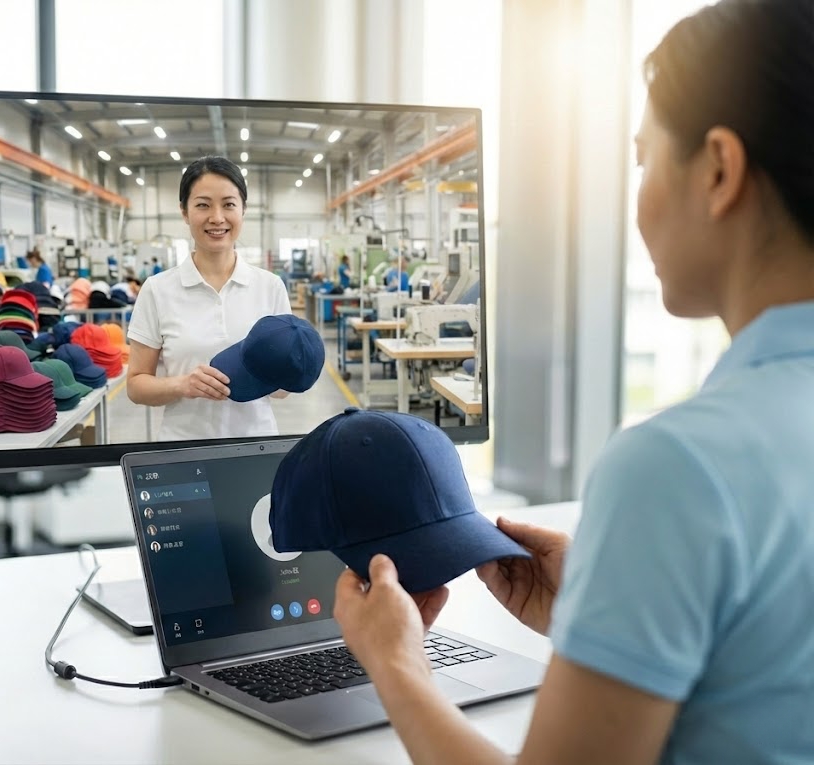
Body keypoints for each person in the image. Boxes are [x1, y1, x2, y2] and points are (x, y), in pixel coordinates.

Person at [333, 2, 814, 763]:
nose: (639, 196)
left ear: (719, 170)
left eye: (644, 160)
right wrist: (613, 611)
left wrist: (395, 664)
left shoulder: (680, 467)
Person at [126, 156, 292, 440]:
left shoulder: (270, 287)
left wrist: (282, 374)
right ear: (184, 211)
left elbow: (282, 390)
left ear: (243, 209)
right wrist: (182, 385)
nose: (217, 217)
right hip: (183, 449)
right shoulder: (157, 289)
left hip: (257, 444)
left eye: (229, 204)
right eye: (203, 205)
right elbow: (136, 386)